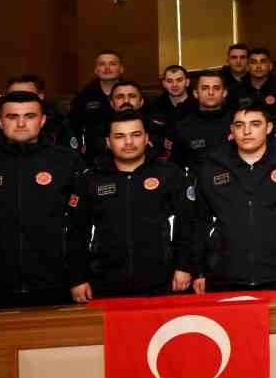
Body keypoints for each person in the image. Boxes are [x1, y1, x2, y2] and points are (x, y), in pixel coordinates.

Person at [67, 110, 194, 301]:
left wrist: (184, 267)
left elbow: (187, 223)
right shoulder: (90, 180)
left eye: (135, 135)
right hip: (103, 283)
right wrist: (77, 278)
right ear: (108, 141)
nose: (128, 142)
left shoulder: (170, 174)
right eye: (120, 136)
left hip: (163, 282)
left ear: (146, 138)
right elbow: (76, 232)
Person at [190, 104, 276, 292]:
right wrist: (198, 270)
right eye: (240, 125)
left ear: (269, 128)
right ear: (232, 129)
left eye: (255, 124)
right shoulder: (212, 165)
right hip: (224, 274)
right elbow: (199, 221)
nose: (247, 131)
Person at [0, 91, 86, 307]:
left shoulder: (66, 161)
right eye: (12, 117)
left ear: (42, 121)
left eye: (30, 116)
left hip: (56, 282)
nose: (21, 123)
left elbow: (81, 224)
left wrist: (78, 276)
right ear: (0, 121)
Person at [170, 72, 235, 176]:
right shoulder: (183, 127)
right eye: (205, 88)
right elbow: (176, 168)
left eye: (216, 88)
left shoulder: (238, 122)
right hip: (198, 183)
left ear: (224, 93)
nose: (211, 92)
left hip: (236, 182)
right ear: (196, 94)